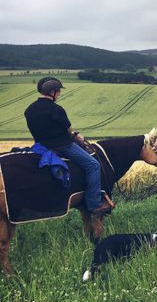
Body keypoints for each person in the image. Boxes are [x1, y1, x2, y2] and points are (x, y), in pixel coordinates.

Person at [24, 77, 112, 216]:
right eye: (58, 91)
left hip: (41, 146)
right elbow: (68, 130)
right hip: (62, 145)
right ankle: (94, 204)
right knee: (93, 165)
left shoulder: (29, 110)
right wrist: (77, 136)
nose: (59, 94)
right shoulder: (56, 109)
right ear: (52, 92)